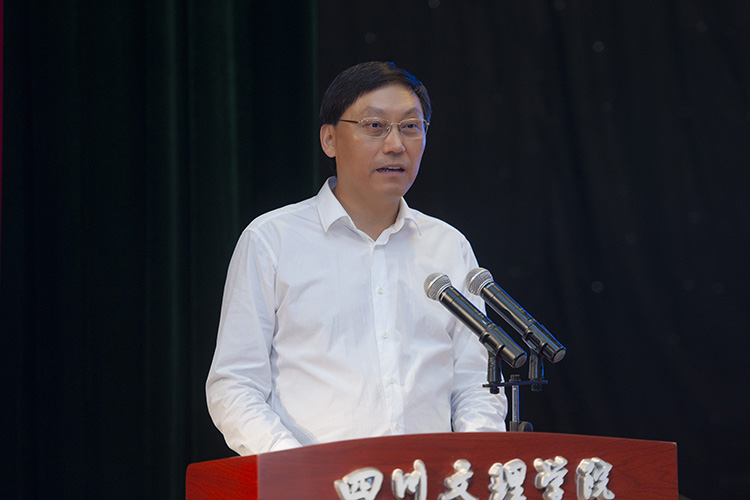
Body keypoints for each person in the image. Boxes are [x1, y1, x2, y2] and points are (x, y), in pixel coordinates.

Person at [206, 61, 507, 456]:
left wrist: (477, 464)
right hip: (312, 480)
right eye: (374, 125)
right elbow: (235, 384)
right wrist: (294, 468)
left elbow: (477, 385)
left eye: (410, 126)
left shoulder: (448, 246)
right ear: (330, 139)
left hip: (426, 479)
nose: (395, 144)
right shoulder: (272, 240)